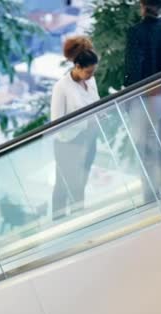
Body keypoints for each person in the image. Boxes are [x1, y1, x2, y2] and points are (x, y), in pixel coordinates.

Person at [123, 0, 161, 202]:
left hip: (148, 100)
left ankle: (151, 200)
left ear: (142, 5)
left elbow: (133, 71)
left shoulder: (136, 32)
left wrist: (130, 99)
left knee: (147, 153)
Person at [50, 36, 100, 221]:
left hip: (89, 139)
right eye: (88, 72)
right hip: (68, 144)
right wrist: (85, 123)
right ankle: (61, 222)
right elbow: (57, 124)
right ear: (77, 67)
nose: (91, 76)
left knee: (81, 183)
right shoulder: (61, 87)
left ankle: (77, 220)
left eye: (93, 72)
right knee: (65, 184)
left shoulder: (91, 81)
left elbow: (96, 103)